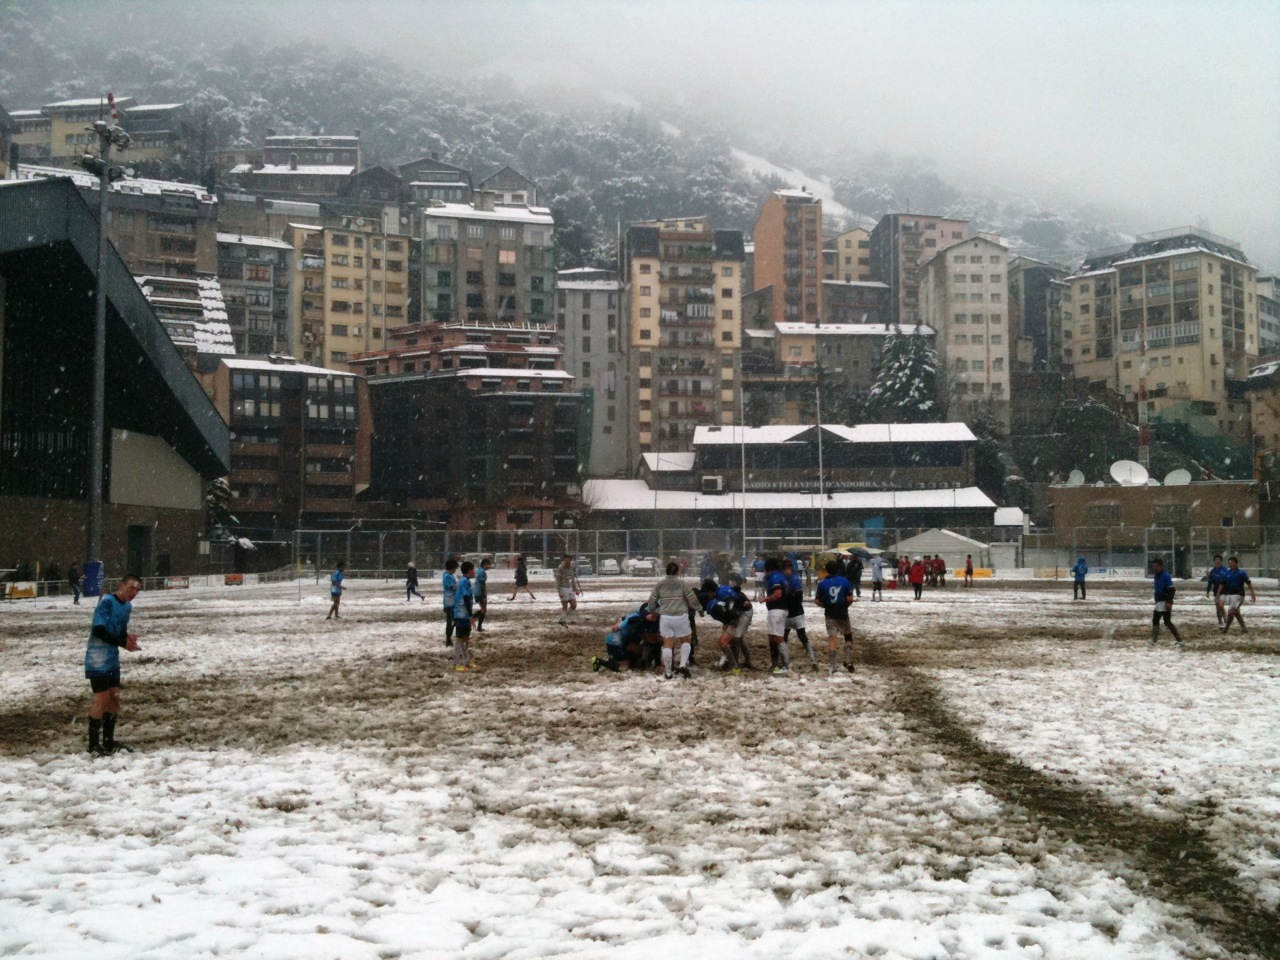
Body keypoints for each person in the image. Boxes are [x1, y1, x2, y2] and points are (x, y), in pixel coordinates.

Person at [84, 573, 142, 755]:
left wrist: (127, 639)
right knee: (102, 699)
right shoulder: (107, 602)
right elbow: (99, 630)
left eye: (137, 590)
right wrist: (122, 643)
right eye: (131, 588)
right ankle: (93, 745)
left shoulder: (127, 607)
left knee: (115, 698)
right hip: (97, 658)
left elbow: (120, 631)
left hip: (111, 658)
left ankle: (109, 742)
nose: (134, 592)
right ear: (121, 585)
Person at [647, 561, 701, 680]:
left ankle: (668, 672)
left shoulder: (660, 584)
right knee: (685, 640)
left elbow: (651, 601)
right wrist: (700, 609)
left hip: (665, 617)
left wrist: (654, 611)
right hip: (681, 616)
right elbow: (692, 598)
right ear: (677, 571)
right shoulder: (682, 583)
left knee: (667, 644)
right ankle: (682, 665)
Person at [705, 574, 754, 672]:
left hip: (742, 614)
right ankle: (744, 662)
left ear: (710, 591)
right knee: (738, 638)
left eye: (708, 593)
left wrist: (731, 622)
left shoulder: (721, 596)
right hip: (743, 612)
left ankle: (734, 665)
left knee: (727, 641)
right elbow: (735, 597)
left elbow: (732, 608)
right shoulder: (722, 589)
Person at [815, 560, 857, 675]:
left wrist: (826, 606)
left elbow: (817, 601)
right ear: (838, 569)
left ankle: (833, 666)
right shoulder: (844, 581)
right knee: (848, 636)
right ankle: (848, 661)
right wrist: (845, 606)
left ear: (827, 570)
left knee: (832, 639)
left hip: (830, 613)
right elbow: (850, 599)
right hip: (842, 613)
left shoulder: (822, 583)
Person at [781, 558, 817, 670]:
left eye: (788, 567)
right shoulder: (782, 579)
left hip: (796, 612)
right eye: (785, 568)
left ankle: (813, 660)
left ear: (791, 568)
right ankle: (785, 661)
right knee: (784, 637)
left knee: (802, 636)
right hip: (787, 613)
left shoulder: (795, 579)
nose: (787, 570)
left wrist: (788, 598)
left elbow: (798, 597)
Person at [592, 606, 650, 673]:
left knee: (632, 654)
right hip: (615, 643)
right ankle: (599, 661)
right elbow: (632, 643)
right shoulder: (637, 621)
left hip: (613, 640)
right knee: (623, 668)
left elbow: (622, 619)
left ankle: (613, 659)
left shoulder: (634, 615)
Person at [762, 557, 792, 674]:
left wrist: (765, 599)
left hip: (777, 610)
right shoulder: (781, 576)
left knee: (778, 638)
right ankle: (775, 664)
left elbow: (778, 594)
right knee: (772, 637)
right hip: (778, 610)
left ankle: (785, 665)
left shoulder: (775, 577)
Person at [1149, 557, 1182, 647]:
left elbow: (1172, 589)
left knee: (1167, 622)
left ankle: (1180, 641)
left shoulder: (1166, 576)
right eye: (1154, 566)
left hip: (1164, 602)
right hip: (1158, 602)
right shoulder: (1156, 576)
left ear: (1161, 566)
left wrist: (1169, 601)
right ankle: (1154, 640)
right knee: (1155, 620)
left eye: (1157, 566)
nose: (1155, 568)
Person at [1219, 556, 1257, 633]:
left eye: (1232, 562)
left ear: (1236, 563)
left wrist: (1253, 593)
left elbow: (1249, 583)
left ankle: (1226, 629)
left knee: (1231, 611)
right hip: (1231, 595)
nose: (1231, 564)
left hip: (1239, 595)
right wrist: (1218, 593)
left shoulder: (1241, 573)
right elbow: (1222, 584)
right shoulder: (1227, 573)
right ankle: (1244, 629)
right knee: (1236, 612)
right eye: (1229, 563)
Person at [451, 560, 476, 671]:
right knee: (460, 638)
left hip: (463, 614)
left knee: (465, 638)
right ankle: (457, 663)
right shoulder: (465, 581)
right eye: (473, 569)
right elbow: (466, 598)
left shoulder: (464, 581)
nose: (474, 571)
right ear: (469, 570)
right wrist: (471, 615)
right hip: (461, 614)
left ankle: (466, 662)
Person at [554, 555, 582, 626]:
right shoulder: (560, 568)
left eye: (569, 560)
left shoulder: (572, 568)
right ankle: (562, 621)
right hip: (563, 588)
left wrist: (575, 589)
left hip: (570, 588)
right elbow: (557, 581)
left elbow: (572, 580)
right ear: (563, 561)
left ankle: (562, 618)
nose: (567, 561)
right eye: (566, 560)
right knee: (565, 606)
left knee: (574, 605)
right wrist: (559, 591)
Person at [1205, 554, 1228, 626]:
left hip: (1224, 590)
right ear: (1214, 561)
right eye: (1216, 560)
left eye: (1219, 560)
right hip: (1215, 590)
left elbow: (1228, 580)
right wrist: (1207, 591)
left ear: (1221, 561)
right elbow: (1210, 582)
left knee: (1221, 605)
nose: (1217, 561)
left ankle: (1225, 618)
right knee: (1217, 608)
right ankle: (1220, 622)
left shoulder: (1225, 570)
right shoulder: (1212, 571)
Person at [441, 558, 458, 647]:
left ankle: (449, 638)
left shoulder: (447, 575)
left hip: (450, 601)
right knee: (451, 621)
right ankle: (448, 639)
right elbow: (453, 587)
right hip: (450, 601)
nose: (456, 569)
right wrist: (460, 583)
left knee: (451, 621)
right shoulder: (448, 576)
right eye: (455, 567)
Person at [474, 557, 491, 631]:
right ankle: (473, 619)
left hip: (478, 592)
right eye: (488, 565)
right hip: (480, 593)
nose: (489, 566)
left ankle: (479, 626)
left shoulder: (479, 571)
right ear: (485, 564)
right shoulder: (481, 572)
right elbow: (482, 584)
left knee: (483, 609)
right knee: (483, 609)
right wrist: (483, 595)